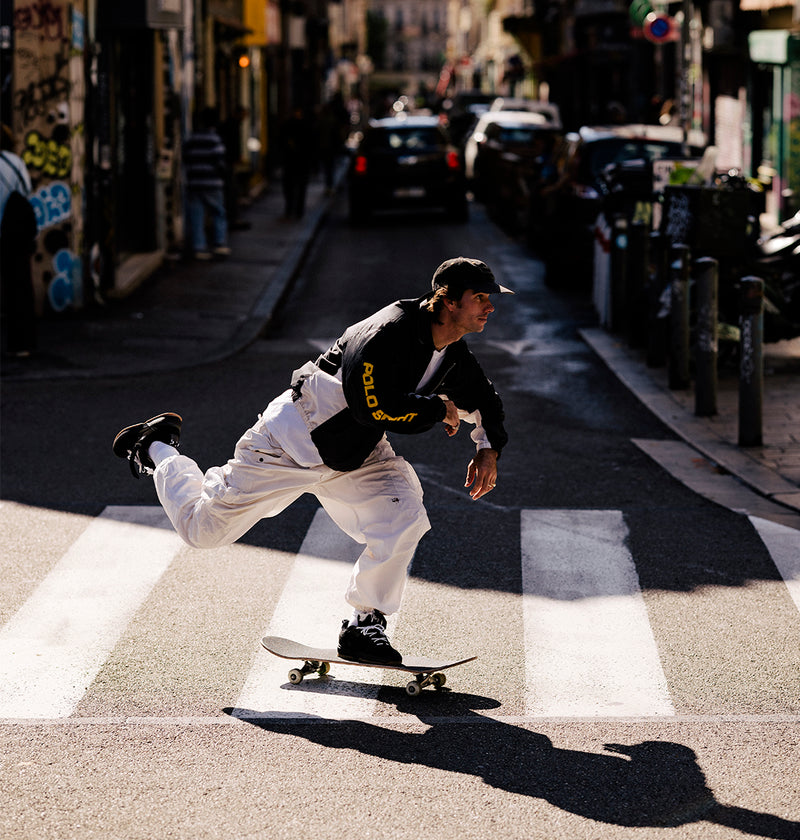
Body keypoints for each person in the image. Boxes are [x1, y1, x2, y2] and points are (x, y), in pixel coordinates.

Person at [112, 257, 512, 664]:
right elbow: (371, 407)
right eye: (480, 297)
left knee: (404, 517)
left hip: (355, 454)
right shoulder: (385, 332)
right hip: (290, 442)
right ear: (446, 300)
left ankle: (364, 624)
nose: (489, 307)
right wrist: (435, 410)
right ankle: (157, 448)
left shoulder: (453, 352)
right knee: (202, 531)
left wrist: (487, 448)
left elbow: (485, 401)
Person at [0, 124, 38, 357]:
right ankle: (21, 344)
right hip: (12, 235)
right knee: (19, 288)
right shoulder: (15, 163)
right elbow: (27, 195)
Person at [183, 107, 230, 260]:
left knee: (196, 215)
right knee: (218, 213)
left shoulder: (192, 139)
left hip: (194, 183)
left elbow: (186, 158)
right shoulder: (214, 139)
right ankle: (219, 244)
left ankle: (199, 247)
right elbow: (220, 162)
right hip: (212, 183)